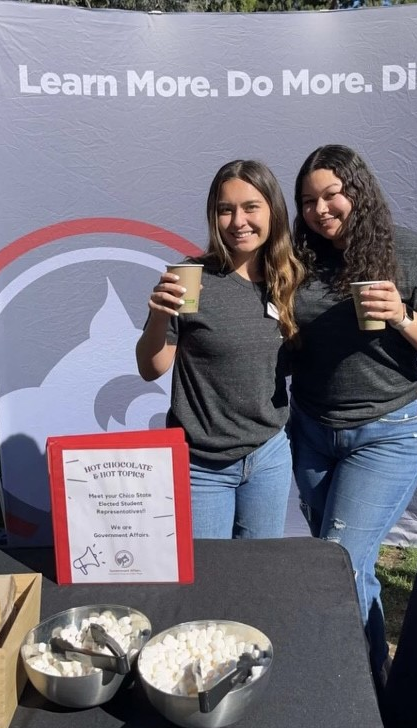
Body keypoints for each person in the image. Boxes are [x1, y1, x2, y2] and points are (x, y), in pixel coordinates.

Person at [289, 144, 417, 684]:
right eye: (308, 201)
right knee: (344, 562)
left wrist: (402, 315)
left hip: (387, 432)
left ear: (357, 192)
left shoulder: (407, 251)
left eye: (331, 195)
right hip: (313, 430)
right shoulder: (299, 257)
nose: (321, 210)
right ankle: (367, 675)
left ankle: (365, 690)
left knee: (340, 560)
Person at [136, 160, 304, 539]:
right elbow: (151, 367)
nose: (238, 221)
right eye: (225, 210)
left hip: (268, 456)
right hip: (200, 463)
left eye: (250, 207)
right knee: (209, 580)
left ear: (273, 210)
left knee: (260, 573)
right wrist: (159, 318)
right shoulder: (190, 277)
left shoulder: (291, 279)